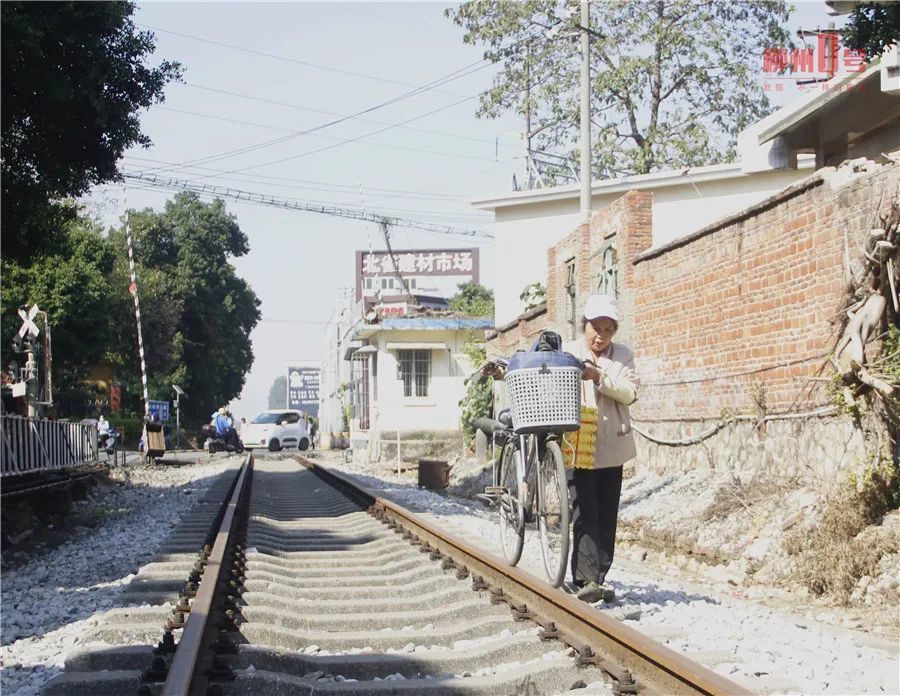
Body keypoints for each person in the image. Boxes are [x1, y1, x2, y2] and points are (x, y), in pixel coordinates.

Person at [564, 294, 638, 603]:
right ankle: (585, 579)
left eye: (608, 330)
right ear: (585, 325)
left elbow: (630, 393)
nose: (601, 336)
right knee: (584, 511)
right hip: (578, 444)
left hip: (612, 444)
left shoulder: (622, 356)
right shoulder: (568, 351)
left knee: (607, 512)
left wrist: (599, 378)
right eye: (596, 328)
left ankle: (600, 574)